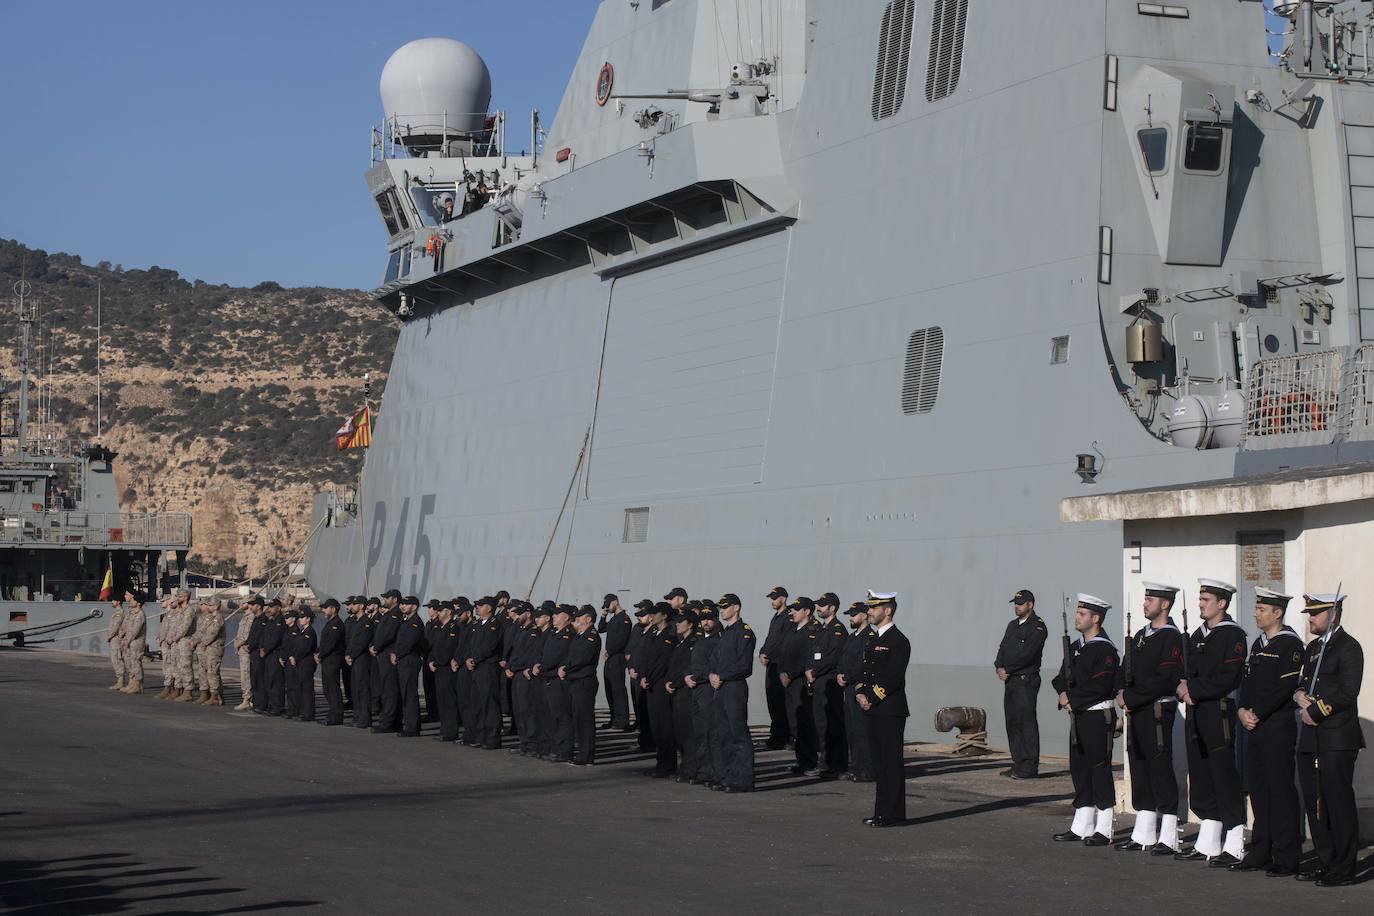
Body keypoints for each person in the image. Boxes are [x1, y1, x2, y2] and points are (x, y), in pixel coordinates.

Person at [1293, 592, 1365, 887]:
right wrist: (1298, 695)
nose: (1310, 619)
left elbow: (1348, 692)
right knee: (1315, 803)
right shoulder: (1312, 648)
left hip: (1336, 737)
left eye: (1315, 614)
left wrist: (1317, 711)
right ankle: (1326, 860)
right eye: (1309, 613)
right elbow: (1302, 682)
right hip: (1311, 739)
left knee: (1338, 802)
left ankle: (1344, 867)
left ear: (1333, 615)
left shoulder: (1348, 647)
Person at [1174, 579, 1247, 866]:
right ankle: (1209, 839)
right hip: (1196, 712)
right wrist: (1183, 688)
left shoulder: (1233, 636)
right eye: (1200, 598)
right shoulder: (1196, 636)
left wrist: (1194, 690)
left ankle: (1235, 839)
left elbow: (1229, 677)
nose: (1200, 603)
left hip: (1219, 711)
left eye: (1205, 599)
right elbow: (1185, 672)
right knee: (1201, 775)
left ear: (1222, 603)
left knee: (1223, 775)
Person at [1230, 587, 1302, 876]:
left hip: (1276, 727)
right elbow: (1247, 682)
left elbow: (1284, 688)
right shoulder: (1258, 644)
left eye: (1261, 609)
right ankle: (1261, 850)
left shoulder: (1290, 645)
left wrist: (1256, 712)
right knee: (1258, 790)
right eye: (1256, 609)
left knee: (1280, 789)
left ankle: (1286, 855)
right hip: (1254, 726)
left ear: (1277, 613)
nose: (1255, 614)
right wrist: (1242, 709)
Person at [1113, 582, 1185, 854]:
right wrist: (1121, 691)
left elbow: (1164, 680)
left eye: (1150, 599)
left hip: (1156, 710)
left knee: (1159, 767)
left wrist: (1130, 698)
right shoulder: (1141, 636)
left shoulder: (1171, 637)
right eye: (1145, 598)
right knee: (1139, 765)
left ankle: (1168, 834)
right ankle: (1144, 831)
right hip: (1137, 710)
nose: (1145, 604)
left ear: (1165, 604)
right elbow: (1124, 670)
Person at [1050, 593, 1119, 845]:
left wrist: (1072, 697)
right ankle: (1082, 823)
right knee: (1079, 768)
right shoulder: (1076, 648)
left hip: (1098, 714)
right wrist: (1063, 693)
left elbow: (1100, 685)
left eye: (1082, 614)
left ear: (1096, 618)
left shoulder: (1105, 649)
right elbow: (1060, 677)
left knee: (1099, 768)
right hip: (1079, 715)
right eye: (1077, 613)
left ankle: (1104, 826)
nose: (1078, 618)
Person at [856, 590, 910, 826]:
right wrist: (859, 692)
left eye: (874, 608)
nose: (869, 611)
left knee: (891, 763)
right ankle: (881, 812)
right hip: (873, 708)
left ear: (887, 611)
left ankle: (893, 814)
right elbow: (864, 671)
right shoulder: (873, 639)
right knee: (879, 763)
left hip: (889, 709)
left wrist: (871, 697)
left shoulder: (898, 641)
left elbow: (893, 677)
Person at [994, 588, 1047, 779]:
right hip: (1011, 681)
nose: (1017, 607)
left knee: (1026, 723)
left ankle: (1030, 766)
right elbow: (1003, 648)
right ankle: (1018, 762)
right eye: (1015, 603)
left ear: (1030, 605)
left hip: (1026, 680)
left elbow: (1028, 655)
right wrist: (999, 666)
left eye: (1021, 603)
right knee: (1013, 722)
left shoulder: (1037, 627)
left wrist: (1008, 669)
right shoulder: (1012, 626)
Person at [709, 593, 756, 792]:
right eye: (720, 607)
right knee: (724, 734)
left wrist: (722, 676)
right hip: (719, 688)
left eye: (725, 607)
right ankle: (728, 776)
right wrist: (711, 673)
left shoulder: (744, 632)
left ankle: (743, 780)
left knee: (738, 734)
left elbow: (744, 665)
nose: (722, 610)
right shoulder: (725, 633)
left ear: (736, 608)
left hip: (734, 687)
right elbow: (715, 658)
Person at [809, 592, 849, 779]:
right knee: (821, 724)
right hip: (818, 682)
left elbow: (833, 657)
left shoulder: (838, 630)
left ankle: (838, 765)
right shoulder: (821, 629)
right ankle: (825, 763)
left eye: (823, 605)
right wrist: (808, 669)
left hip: (829, 680)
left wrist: (814, 671)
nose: (819, 608)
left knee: (833, 724)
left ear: (832, 608)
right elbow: (814, 653)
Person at [779, 596, 819, 776]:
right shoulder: (792, 630)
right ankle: (800, 760)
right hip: (788, 681)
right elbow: (783, 653)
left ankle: (810, 761)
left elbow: (807, 657)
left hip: (801, 682)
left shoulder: (812, 631)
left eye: (796, 609)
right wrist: (781, 672)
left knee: (804, 722)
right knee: (794, 722)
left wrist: (791, 674)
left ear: (807, 612)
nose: (792, 612)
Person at [640, 602, 678, 777]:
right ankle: (660, 762)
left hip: (660, 684)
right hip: (650, 684)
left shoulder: (670, 635)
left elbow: (663, 662)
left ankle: (668, 764)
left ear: (664, 615)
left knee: (664, 726)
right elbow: (646, 658)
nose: (652, 616)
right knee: (656, 726)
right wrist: (643, 677)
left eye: (655, 613)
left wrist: (650, 678)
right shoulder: (654, 634)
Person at [838, 601, 874, 783]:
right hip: (849, 687)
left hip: (862, 687)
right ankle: (855, 766)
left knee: (862, 731)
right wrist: (840, 674)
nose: (851, 618)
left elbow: (865, 664)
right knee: (851, 730)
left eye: (854, 614)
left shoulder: (870, 637)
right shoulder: (851, 637)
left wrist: (849, 676)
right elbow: (843, 659)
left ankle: (866, 769)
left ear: (865, 615)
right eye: (850, 615)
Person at [687, 600, 720, 787]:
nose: (705, 622)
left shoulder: (718, 640)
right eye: (703, 619)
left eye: (709, 619)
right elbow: (690, 662)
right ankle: (703, 770)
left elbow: (714, 664)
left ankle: (713, 772)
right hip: (695, 688)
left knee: (710, 732)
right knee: (698, 732)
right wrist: (686, 676)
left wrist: (698, 675)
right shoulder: (700, 639)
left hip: (707, 687)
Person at [536, 604, 575, 761]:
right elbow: (543, 652)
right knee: (550, 716)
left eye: (557, 615)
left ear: (566, 617)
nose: (554, 617)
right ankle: (553, 747)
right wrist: (538, 663)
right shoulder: (553, 633)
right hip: (548, 678)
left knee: (562, 717)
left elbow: (557, 656)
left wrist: (542, 666)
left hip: (558, 680)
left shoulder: (568, 634)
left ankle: (564, 750)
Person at [466, 596, 505, 749]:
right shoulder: (478, 625)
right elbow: (472, 644)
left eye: (480, 605)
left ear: (489, 608)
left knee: (490, 704)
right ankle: (480, 736)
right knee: (477, 703)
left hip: (488, 667)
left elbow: (489, 646)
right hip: (477, 668)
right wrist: (469, 658)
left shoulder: (494, 625)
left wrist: (474, 658)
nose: (477, 608)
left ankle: (492, 737)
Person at [565, 604, 602, 765]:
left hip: (584, 682)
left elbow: (582, 658)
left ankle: (587, 755)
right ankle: (582, 753)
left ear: (589, 619)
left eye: (581, 617)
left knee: (585, 720)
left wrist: (566, 668)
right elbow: (571, 655)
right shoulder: (580, 635)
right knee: (578, 719)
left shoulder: (591, 636)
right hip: (575, 681)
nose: (578, 620)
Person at [667, 607, 699, 781]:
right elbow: (673, 666)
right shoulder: (680, 643)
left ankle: (691, 768)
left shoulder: (693, 643)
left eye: (681, 622)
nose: (677, 625)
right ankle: (684, 765)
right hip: (676, 691)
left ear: (690, 624)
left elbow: (688, 667)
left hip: (687, 691)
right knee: (679, 731)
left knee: (688, 733)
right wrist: (668, 681)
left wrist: (676, 682)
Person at [758, 586, 791, 750]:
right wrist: (762, 652)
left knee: (781, 702)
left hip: (780, 663)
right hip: (771, 664)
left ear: (783, 599)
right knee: (772, 701)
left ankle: (784, 736)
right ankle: (776, 735)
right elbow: (770, 638)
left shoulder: (788, 617)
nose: (772, 601)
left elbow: (783, 642)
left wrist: (769, 653)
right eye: (771, 598)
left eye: (775, 598)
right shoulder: (775, 617)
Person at [369, 590, 403, 733]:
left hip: (388, 655)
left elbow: (388, 634)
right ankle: (393, 721)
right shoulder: (389, 614)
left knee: (389, 690)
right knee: (386, 688)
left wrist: (376, 647)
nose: (385, 600)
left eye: (387, 598)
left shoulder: (395, 615)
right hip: (383, 654)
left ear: (394, 599)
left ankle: (387, 723)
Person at [393, 596, 426, 737]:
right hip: (403, 660)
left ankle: (412, 727)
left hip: (409, 660)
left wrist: (397, 654)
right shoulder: (406, 621)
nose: (403, 606)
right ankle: (408, 723)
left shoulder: (415, 623)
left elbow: (409, 643)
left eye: (406, 605)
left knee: (409, 694)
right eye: (402, 604)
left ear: (414, 607)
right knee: (404, 693)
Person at [598, 594, 631, 730]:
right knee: (609, 689)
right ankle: (614, 719)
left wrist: (610, 652)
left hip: (617, 658)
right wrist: (603, 615)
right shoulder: (613, 619)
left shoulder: (624, 619)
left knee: (618, 690)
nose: (607, 608)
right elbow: (601, 629)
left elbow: (621, 640)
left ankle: (622, 720)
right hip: (610, 658)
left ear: (615, 602)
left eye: (608, 605)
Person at [628, 600, 655, 749]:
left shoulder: (654, 632)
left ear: (651, 617)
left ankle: (649, 742)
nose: (639, 618)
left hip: (645, 677)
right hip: (636, 675)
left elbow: (649, 657)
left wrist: (642, 672)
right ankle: (643, 741)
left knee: (648, 712)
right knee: (641, 711)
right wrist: (631, 667)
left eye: (642, 615)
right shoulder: (640, 630)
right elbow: (634, 652)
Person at [345, 596, 375, 728]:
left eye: (355, 604)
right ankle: (357, 717)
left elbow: (363, 642)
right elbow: (351, 641)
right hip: (354, 659)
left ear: (362, 606)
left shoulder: (366, 622)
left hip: (362, 659)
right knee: (355, 688)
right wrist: (348, 654)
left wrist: (352, 655)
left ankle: (364, 718)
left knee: (363, 689)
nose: (352, 606)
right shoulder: (356, 622)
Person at [317, 599, 346, 726]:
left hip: (333, 659)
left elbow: (331, 643)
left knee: (333, 689)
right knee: (327, 689)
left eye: (326, 608)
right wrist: (318, 652)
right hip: (327, 659)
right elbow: (324, 642)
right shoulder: (329, 623)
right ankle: (332, 713)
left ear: (333, 609)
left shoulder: (337, 624)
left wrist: (320, 654)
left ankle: (337, 716)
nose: (323, 610)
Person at [194, 597, 226, 706]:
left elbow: (213, 633)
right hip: (206, 648)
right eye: (208, 605)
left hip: (214, 648)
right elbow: (201, 631)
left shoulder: (218, 618)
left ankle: (215, 696)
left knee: (213, 671)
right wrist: (194, 640)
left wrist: (204, 643)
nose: (208, 607)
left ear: (216, 606)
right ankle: (206, 693)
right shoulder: (208, 617)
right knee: (204, 670)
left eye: (211, 605)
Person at [289, 606, 318, 722]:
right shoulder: (302, 631)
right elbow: (295, 646)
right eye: (300, 617)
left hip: (306, 663)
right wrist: (292, 655)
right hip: (300, 663)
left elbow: (305, 648)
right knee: (300, 687)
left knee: (307, 689)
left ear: (308, 619)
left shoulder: (310, 632)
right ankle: (302, 711)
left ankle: (308, 714)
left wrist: (295, 657)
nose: (300, 619)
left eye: (303, 617)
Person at [258, 600, 286, 716]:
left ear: (278, 608)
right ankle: (270, 705)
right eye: (268, 607)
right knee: (268, 680)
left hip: (275, 654)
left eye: (271, 607)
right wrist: (261, 647)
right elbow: (263, 635)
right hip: (267, 654)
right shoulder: (270, 621)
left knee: (276, 682)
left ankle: (277, 706)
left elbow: (276, 638)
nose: (269, 609)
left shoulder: (280, 621)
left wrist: (266, 649)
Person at [118, 590, 148, 694]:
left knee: (135, 662)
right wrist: (122, 635)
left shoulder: (140, 614)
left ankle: (137, 684)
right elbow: (125, 625)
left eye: (134, 600)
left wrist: (128, 640)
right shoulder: (131, 612)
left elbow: (135, 630)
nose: (131, 601)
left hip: (136, 642)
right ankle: (132, 683)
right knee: (129, 662)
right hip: (128, 641)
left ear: (138, 603)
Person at [233, 598, 259, 711]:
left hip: (245, 649)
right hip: (241, 649)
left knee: (246, 674)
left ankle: (247, 699)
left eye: (243, 603)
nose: (241, 605)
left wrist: (239, 643)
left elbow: (247, 635)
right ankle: (247, 698)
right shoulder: (245, 617)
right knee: (244, 674)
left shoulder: (251, 618)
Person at [422, 600, 442, 723]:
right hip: (426, 658)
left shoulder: (438, 624)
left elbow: (434, 643)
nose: (428, 610)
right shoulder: (429, 623)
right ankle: (431, 712)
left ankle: (436, 713)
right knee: (427, 687)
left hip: (433, 659)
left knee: (435, 688)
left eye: (430, 608)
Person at [105, 598, 127, 690]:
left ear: (118, 601)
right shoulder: (116, 612)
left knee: (117, 659)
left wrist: (109, 636)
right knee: (114, 659)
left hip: (116, 639)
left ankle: (120, 682)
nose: (112, 602)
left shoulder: (119, 613)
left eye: (113, 600)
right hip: (113, 639)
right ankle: (119, 681)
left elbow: (116, 626)